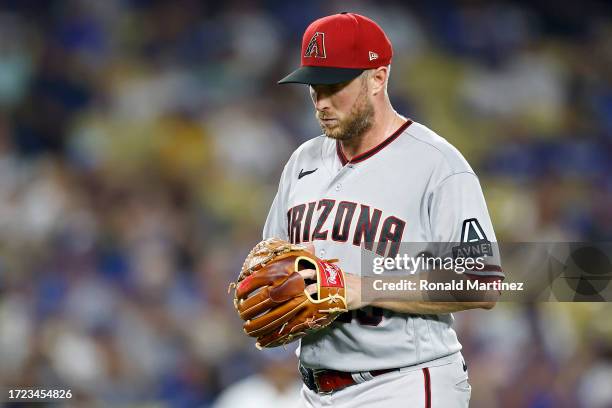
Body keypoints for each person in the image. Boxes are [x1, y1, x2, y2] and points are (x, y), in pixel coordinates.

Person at [264, 12, 504, 407]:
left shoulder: (436, 163)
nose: (321, 102)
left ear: (378, 77)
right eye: (313, 87)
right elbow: (275, 261)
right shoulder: (302, 161)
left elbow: (481, 280)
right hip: (314, 389)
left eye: (333, 86)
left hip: (404, 382)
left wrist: (363, 287)